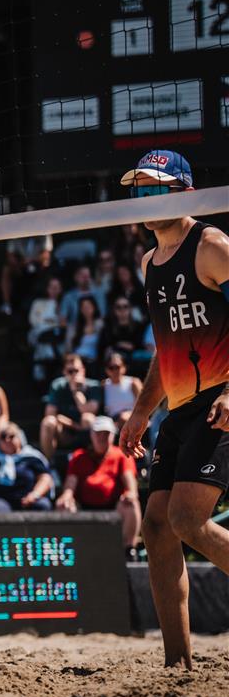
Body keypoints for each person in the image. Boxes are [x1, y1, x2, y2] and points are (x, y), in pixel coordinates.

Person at [115, 150, 229, 668]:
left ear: (184, 193)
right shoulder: (149, 263)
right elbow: (167, 348)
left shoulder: (211, 245)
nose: (144, 197)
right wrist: (142, 411)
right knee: (158, 528)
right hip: (180, 409)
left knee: (186, 518)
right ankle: (178, 666)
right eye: (138, 189)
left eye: (154, 188)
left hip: (220, 399)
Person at [56, 417, 141, 548]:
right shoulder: (79, 456)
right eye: (98, 433)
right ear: (91, 435)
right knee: (64, 506)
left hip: (114, 506)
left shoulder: (121, 455)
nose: (102, 437)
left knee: (131, 504)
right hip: (83, 507)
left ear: (113, 436)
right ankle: (70, 549)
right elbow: (70, 485)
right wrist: (66, 496)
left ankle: (128, 549)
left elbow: (130, 483)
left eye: (106, 434)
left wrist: (131, 493)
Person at [39, 353, 104, 458]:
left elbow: (90, 411)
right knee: (48, 422)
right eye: (70, 371)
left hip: (87, 431)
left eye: (76, 370)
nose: (74, 374)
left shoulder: (93, 386)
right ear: (64, 372)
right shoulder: (58, 385)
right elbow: (50, 414)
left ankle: (93, 459)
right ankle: (49, 462)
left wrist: (76, 391)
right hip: (65, 432)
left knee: (87, 418)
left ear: (83, 370)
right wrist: (75, 426)